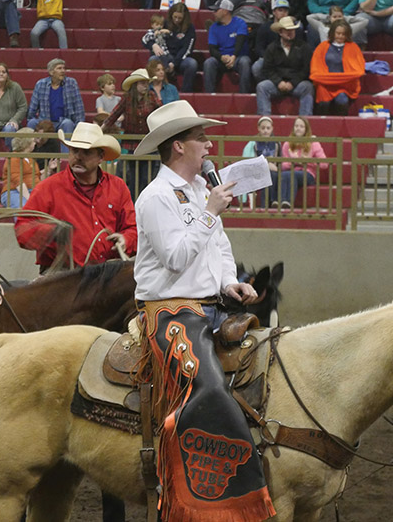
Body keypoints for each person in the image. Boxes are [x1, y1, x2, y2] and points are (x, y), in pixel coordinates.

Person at [131, 99, 275, 522]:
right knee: (206, 387)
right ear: (178, 147)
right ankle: (209, 498)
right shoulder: (156, 197)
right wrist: (211, 212)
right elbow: (175, 257)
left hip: (209, 305)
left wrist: (230, 281)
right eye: (200, 138)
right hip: (170, 312)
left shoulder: (197, 191)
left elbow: (219, 249)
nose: (209, 145)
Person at [14, 122, 136, 272]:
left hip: (107, 274)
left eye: (86, 152)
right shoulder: (48, 188)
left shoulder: (117, 187)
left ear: (100, 157)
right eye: (75, 151)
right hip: (62, 277)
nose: (78, 157)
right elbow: (22, 230)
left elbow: (133, 229)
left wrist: (126, 240)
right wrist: (52, 233)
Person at [102, 68, 161, 198]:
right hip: (132, 145)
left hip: (149, 144)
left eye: (146, 83)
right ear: (135, 85)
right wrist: (101, 129)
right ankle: (135, 204)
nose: (145, 86)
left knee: (148, 178)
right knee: (134, 178)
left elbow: (161, 112)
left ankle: (146, 202)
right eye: (142, 83)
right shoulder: (127, 98)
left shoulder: (151, 96)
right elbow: (114, 115)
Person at [256, 16, 314, 116]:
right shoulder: (272, 48)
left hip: (297, 84)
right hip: (277, 84)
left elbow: (306, 70)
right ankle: (265, 119)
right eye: (287, 30)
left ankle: (305, 120)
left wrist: (293, 83)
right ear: (280, 32)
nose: (290, 32)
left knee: (308, 87)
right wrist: (278, 82)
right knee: (262, 87)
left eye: (292, 30)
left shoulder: (304, 47)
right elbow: (267, 69)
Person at [309, 19, 365, 115]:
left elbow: (359, 69)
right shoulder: (322, 47)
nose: (340, 36)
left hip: (345, 85)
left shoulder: (353, 47)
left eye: (343, 34)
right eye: (338, 33)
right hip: (325, 83)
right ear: (332, 33)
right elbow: (315, 68)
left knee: (342, 101)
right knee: (323, 102)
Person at [26, 58, 85, 144]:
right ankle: (31, 154)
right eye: (59, 68)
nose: (63, 71)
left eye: (64, 68)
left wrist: (79, 125)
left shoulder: (71, 83)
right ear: (51, 72)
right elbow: (33, 107)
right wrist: (31, 118)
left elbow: (78, 106)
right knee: (32, 123)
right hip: (45, 121)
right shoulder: (40, 84)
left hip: (63, 121)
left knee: (68, 123)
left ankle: (65, 156)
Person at [274, 116, 326, 208]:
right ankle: (283, 203)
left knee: (291, 174)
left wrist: (306, 161)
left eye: (301, 126)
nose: (298, 128)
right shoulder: (288, 143)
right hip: (291, 172)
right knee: (285, 175)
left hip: (308, 174)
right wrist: (293, 162)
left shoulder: (313, 143)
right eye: (296, 126)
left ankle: (287, 202)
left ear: (306, 129)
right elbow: (282, 166)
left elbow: (324, 164)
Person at [251, 0, 307, 83]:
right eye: (280, 10)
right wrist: (268, 57)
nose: (283, 13)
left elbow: (301, 46)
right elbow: (259, 48)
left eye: (286, 11)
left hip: (291, 57)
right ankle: (269, 83)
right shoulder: (265, 28)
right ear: (274, 12)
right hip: (269, 57)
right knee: (257, 67)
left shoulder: (296, 29)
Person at [203, 0, 253, 94]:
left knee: (245, 62)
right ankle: (209, 94)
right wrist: (221, 57)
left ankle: (243, 94)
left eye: (216, 10)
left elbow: (240, 41)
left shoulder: (240, 23)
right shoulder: (213, 27)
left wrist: (234, 56)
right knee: (209, 62)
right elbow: (212, 48)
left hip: (238, 57)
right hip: (222, 58)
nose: (214, 13)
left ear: (225, 11)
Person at [1, 127, 45, 208]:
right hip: (13, 192)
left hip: (32, 190)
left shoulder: (31, 159)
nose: (35, 143)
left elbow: (37, 178)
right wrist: (30, 199)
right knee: (25, 207)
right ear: (26, 142)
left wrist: (48, 170)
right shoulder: (14, 158)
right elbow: (18, 182)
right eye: (33, 141)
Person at [161, 2, 197, 93]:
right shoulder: (164, 24)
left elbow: (187, 49)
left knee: (192, 64)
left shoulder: (190, 28)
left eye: (180, 18)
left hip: (181, 59)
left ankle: (186, 92)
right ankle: (158, 91)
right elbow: (150, 37)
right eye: (175, 17)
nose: (177, 20)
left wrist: (174, 63)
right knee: (153, 59)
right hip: (166, 57)